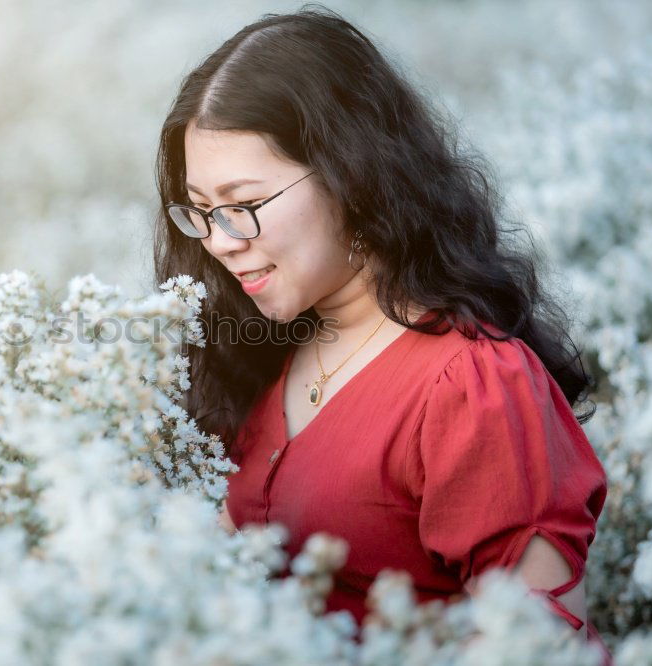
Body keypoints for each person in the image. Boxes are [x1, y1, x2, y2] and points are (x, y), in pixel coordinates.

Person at [151, 5, 612, 663]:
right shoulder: (265, 354)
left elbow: (536, 641)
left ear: (352, 174)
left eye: (243, 207)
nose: (220, 243)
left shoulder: (472, 384)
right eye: (201, 212)